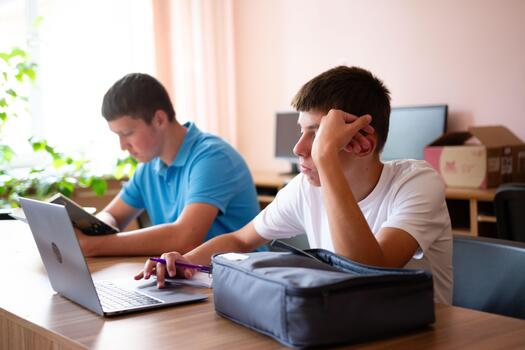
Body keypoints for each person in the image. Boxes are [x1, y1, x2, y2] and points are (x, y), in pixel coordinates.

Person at [136, 66, 453, 304]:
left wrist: (326, 159)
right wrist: (186, 261)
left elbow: (368, 271)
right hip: (351, 326)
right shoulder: (306, 188)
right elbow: (240, 240)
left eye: (317, 134)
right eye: (301, 131)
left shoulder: (417, 182)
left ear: (363, 143)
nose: (299, 148)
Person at [76, 73, 261, 257]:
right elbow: (113, 216)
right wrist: (94, 226)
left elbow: (185, 238)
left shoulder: (213, 157)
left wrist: (94, 245)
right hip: (188, 275)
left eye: (127, 133)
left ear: (159, 120)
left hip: (240, 277)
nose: (122, 146)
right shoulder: (148, 167)